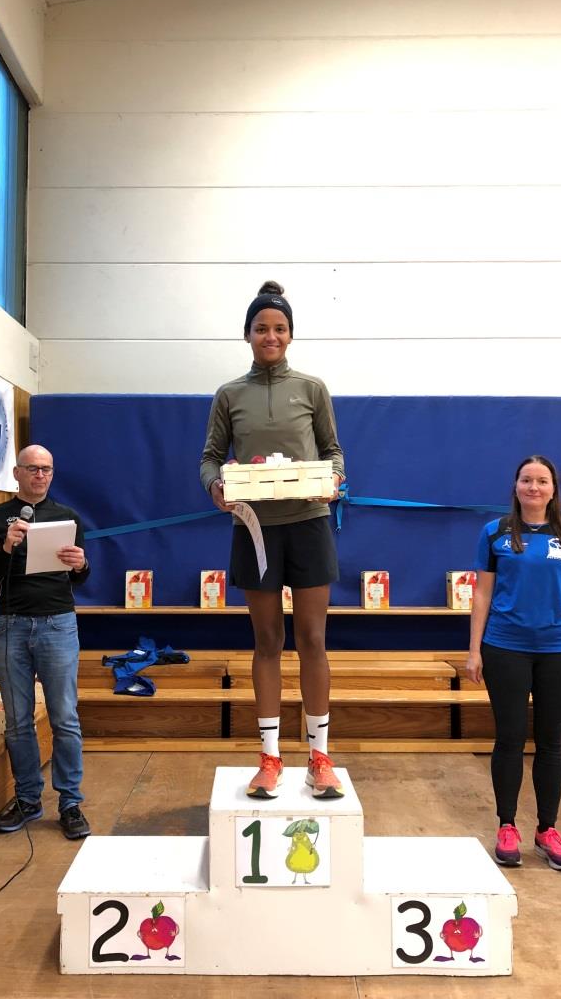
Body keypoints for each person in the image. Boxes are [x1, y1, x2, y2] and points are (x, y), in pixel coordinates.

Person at [200, 280, 345, 800]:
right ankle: (269, 759)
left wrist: (334, 480)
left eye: (280, 328)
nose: (271, 336)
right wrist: (216, 487)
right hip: (254, 529)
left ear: (290, 335)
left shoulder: (312, 389)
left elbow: (332, 450)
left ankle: (319, 758)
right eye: (261, 328)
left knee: (312, 641)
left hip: (308, 524)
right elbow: (210, 457)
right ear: (247, 334)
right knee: (266, 643)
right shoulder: (229, 394)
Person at [468, 455, 561, 871]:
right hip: (505, 647)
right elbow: (482, 594)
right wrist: (474, 650)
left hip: (559, 649)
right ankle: (507, 826)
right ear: (516, 485)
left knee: (552, 741)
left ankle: (547, 830)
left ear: (554, 489)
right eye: (526, 480)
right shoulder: (496, 532)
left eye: (542, 481)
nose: (534, 487)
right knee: (509, 739)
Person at [0, 444, 91, 839]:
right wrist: (6, 546)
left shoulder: (67, 517)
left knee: (64, 717)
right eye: (33, 469)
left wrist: (81, 564)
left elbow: (80, 577)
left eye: (47, 469)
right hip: (11, 624)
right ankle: (28, 799)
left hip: (58, 624)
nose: (40, 475)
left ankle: (70, 803)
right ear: (17, 473)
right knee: (18, 720)